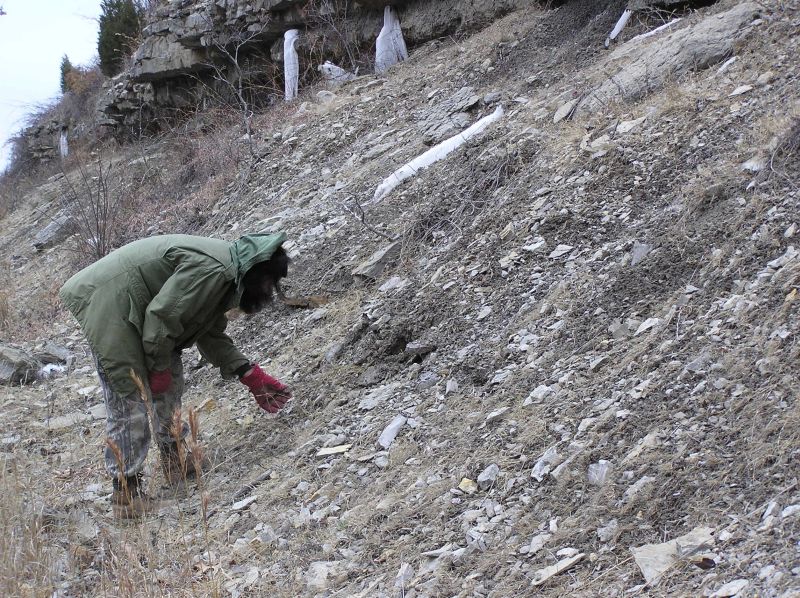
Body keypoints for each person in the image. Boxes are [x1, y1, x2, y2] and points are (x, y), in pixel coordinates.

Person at [59, 232, 293, 518]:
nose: (269, 291)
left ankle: (176, 461)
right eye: (270, 283)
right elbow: (161, 317)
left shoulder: (228, 275)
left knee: (169, 382)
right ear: (258, 271)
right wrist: (158, 368)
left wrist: (248, 373)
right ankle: (126, 497)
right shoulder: (214, 270)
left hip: (138, 307)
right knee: (129, 396)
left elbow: (206, 331)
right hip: (109, 303)